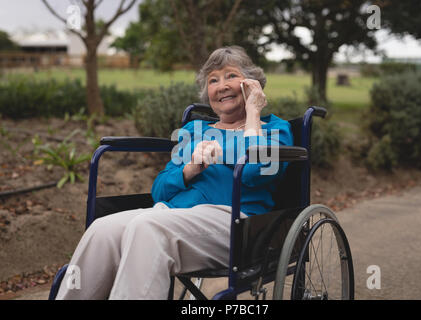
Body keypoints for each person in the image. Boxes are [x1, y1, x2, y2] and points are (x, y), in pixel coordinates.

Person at [56, 46, 293, 300]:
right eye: (213, 80)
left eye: (231, 76)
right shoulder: (194, 130)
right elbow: (159, 191)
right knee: (102, 230)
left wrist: (254, 113)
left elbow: (255, 172)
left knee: (147, 228)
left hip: (235, 221)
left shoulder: (274, 129)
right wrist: (189, 170)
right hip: (171, 213)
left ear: (251, 84)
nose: (221, 85)